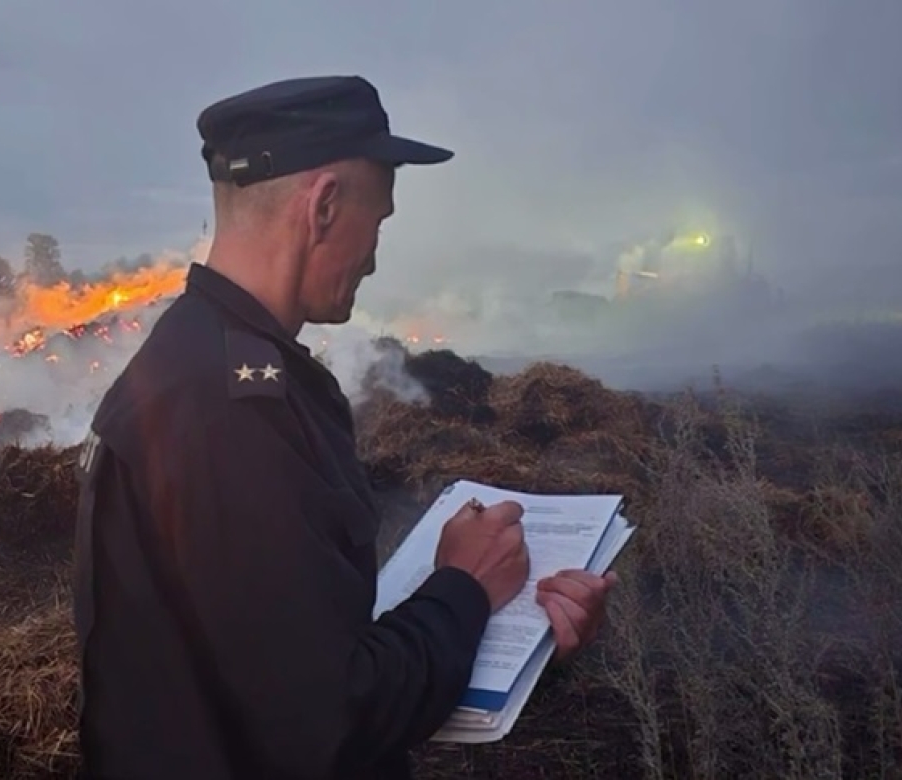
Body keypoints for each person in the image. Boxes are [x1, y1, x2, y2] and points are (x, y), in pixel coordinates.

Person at [72, 75, 616, 780]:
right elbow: (329, 726)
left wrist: (524, 630)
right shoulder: (228, 412)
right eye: (380, 222)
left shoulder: (208, 365)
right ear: (325, 205)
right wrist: (464, 588)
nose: (375, 256)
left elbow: (276, 664)